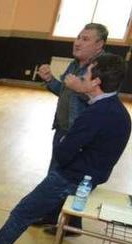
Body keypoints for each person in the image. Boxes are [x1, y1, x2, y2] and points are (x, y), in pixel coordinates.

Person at [0, 53, 131, 244]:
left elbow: (63, 152)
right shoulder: (117, 110)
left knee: (23, 212)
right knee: (29, 211)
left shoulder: (95, 113)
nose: (82, 75)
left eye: (86, 73)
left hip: (71, 177)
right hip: (88, 176)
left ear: (96, 81)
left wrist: (65, 141)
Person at [37, 23, 107, 174]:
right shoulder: (74, 64)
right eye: (78, 37)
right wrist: (49, 80)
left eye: (85, 39)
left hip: (79, 136)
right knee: (54, 174)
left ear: (99, 44)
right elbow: (65, 92)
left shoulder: (104, 67)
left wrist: (80, 89)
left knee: (66, 179)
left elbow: (103, 103)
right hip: (62, 129)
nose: (77, 43)